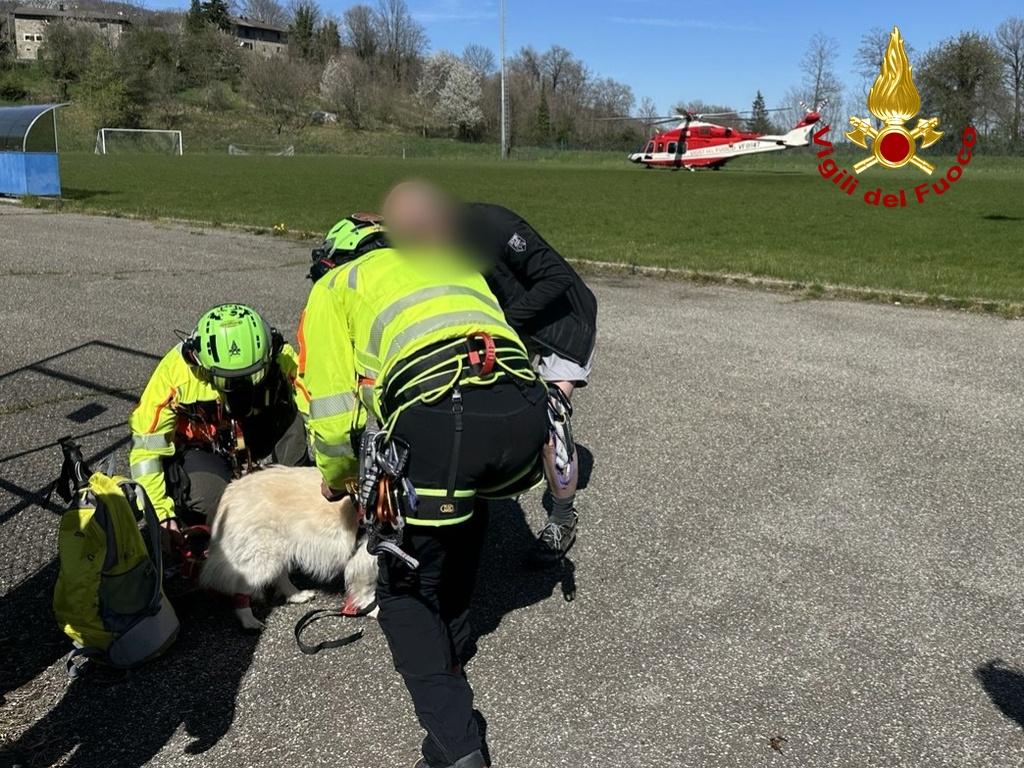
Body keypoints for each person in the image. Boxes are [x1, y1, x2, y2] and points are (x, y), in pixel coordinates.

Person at [299, 189, 549, 768]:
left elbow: (333, 414)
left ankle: (456, 743)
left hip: (446, 420)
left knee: (402, 592)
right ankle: (454, 645)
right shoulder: (447, 263)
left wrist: (337, 478)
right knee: (462, 511)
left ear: (332, 260)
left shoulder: (335, 288)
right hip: (521, 416)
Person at [460, 202, 598, 558]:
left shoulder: (493, 223)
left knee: (549, 417)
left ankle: (562, 520)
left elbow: (557, 278)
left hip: (564, 323)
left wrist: (503, 323)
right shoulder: (426, 248)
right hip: (516, 323)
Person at [128, 303, 309, 532]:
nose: (240, 388)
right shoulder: (176, 373)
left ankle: (289, 493)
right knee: (219, 501)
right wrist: (161, 516)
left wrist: (328, 475)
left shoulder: (280, 357)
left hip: (259, 431)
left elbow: (315, 405)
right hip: (203, 450)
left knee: (295, 466)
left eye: (252, 376)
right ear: (199, 362)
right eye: (229, 381)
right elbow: (146, 449)